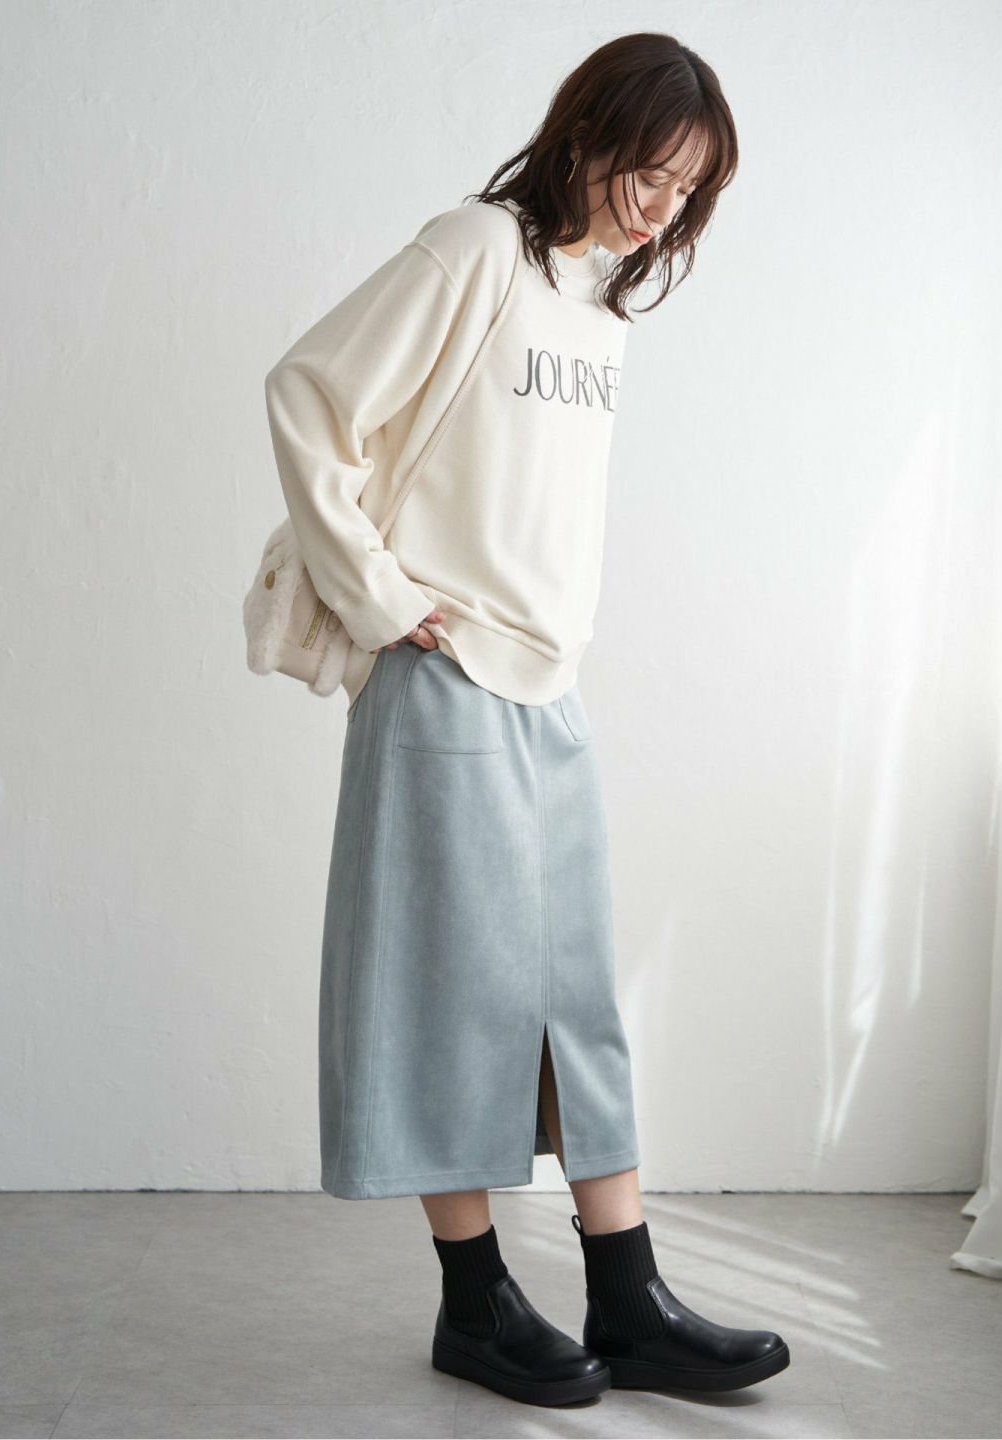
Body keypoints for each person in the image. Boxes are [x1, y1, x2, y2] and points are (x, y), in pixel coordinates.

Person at [263, 30, 790, 1409]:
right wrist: (379, 597)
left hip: (549, 685)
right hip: (444, 679)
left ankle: (628, 1296)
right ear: (590, 131)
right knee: (452, 998)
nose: (658, 209)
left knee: (574, 1003)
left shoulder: (597, 307)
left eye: (686, 193)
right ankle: (475, 1303)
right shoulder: (476, 251)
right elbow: (308, 391)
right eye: (649, 173)